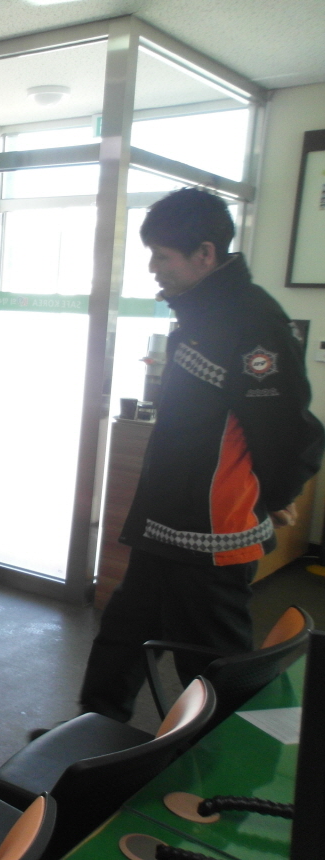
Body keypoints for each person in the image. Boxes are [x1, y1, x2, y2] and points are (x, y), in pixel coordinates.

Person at [78, 187, 325, 723]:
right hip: (167, 520)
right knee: (123, 635)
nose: (153, 267)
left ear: (205, 254)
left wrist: (275, 495)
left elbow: (289, 429)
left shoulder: (252, 321)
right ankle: (93, 731)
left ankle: (220, 762)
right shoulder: (203, 312)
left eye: (162, 256)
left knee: (213, 667)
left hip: (213, 533)